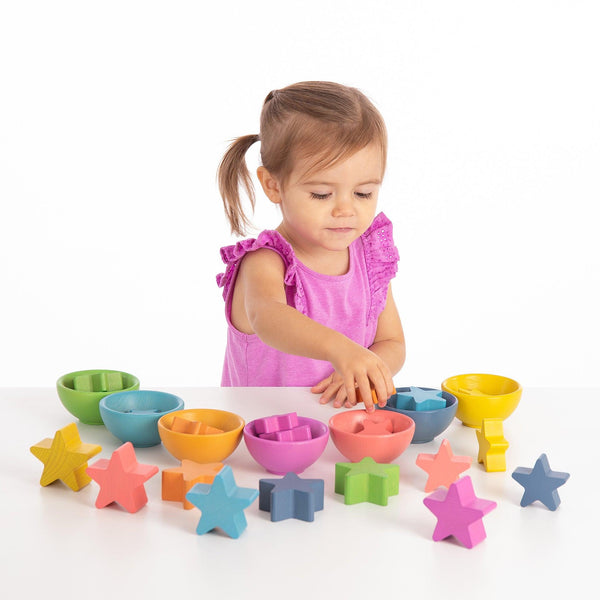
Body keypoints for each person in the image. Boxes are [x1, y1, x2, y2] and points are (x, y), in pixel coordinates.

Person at [216, 81, 405, 413]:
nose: (345, 209)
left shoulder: (368, 257)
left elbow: (393, 343)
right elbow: (269, 318)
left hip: (342, 432)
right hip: (261, 438)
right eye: (321, 194)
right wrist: (340, 349)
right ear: (273, 185)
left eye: (363, 193)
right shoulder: (265, 261)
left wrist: (367, 366)